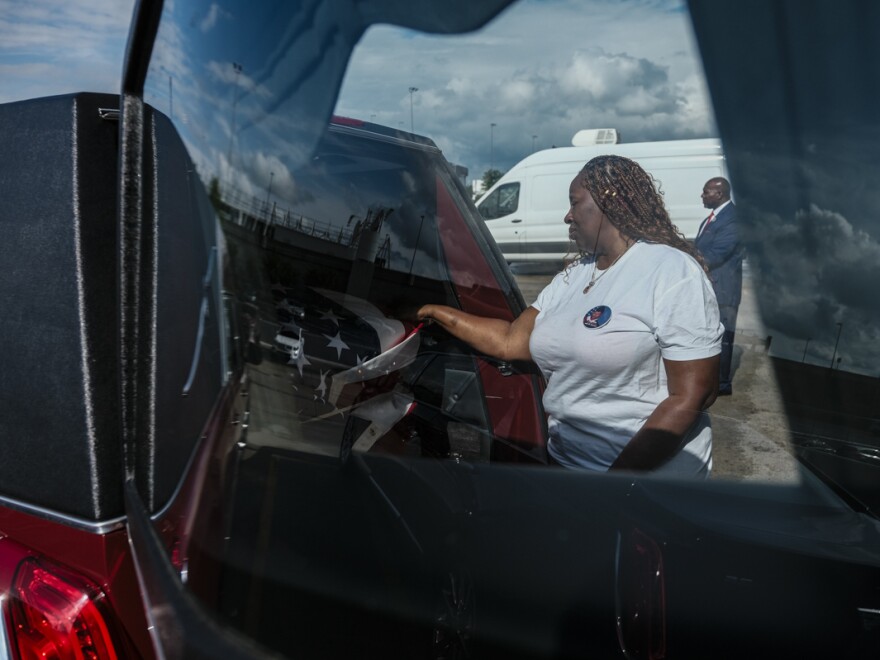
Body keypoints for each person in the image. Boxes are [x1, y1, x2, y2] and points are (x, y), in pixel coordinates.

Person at [419, 156, 723, 477]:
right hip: (568, 464)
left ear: (610, 201)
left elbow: (693, 395)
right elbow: (510, 341)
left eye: (574, 203)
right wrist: (432, 311)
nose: (568, 216)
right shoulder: (576, 274)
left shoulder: (670, 271)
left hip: (643, 482)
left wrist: (615, 484)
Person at [694, 177, 743, 396]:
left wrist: (686, 259)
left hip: (724, 291)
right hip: (711, 287)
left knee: (722, 339)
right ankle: (708, 380)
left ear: (719, 194)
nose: (702, 196)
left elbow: (717, 254)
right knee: (708, 335)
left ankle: (721, 385)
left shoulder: (732, 220)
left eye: (706, 192)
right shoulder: (711, 219)